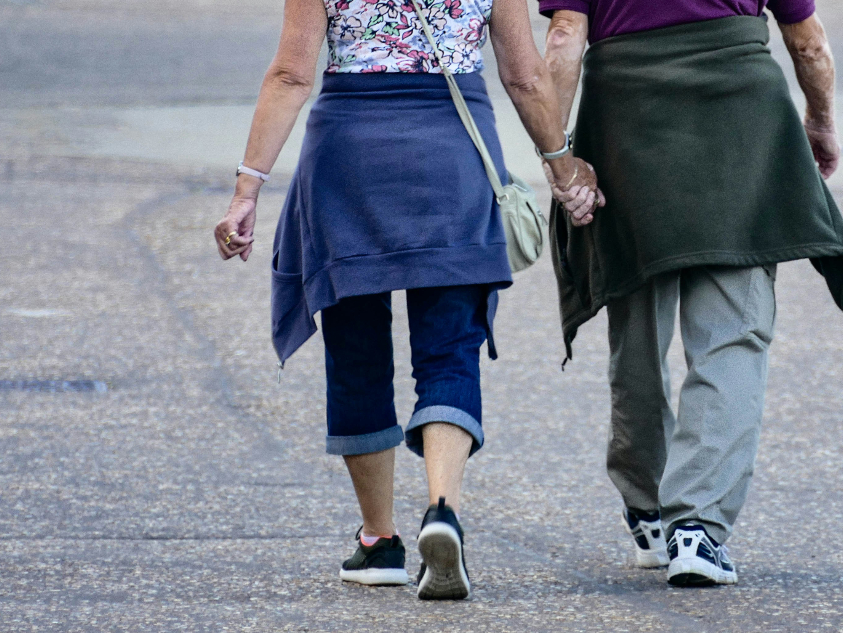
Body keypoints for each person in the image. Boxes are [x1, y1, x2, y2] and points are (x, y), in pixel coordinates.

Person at [213, 0, 601, 601]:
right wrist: (560, 164)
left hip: (347, 163)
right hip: (454, 158)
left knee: (357, 351)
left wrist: (246, 190)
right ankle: (442, 510)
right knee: (450, 350)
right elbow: (524, 75)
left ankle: (379, 541)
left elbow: (292, 75)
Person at [540, 0, 843, 586]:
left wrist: (560, 155)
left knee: (636, 330)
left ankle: (648, 510)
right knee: (735, 331)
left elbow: (564, 39)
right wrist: (820, 120)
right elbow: (807, 42)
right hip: (739, 120)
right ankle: (699, 527)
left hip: (627, 123)